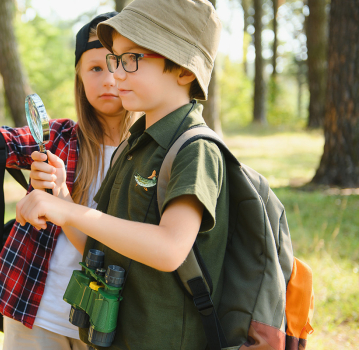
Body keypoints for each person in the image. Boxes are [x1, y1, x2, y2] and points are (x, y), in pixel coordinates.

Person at [17, 0, 227, 349]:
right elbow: (98, 246)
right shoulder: (136, 145)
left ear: (184, 71)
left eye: (131, 60)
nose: (115, 75)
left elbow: (170, 248)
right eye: (116, 60)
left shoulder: (195, 148)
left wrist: (71, 211)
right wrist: (62, 197)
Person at [0, 12, 137, 350]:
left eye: (117, 64)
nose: (108, 80)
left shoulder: (148, 155)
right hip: (36, 310)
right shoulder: (59, 136)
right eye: (95, 68)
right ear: (79, 77)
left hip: (108, 323)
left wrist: (61, 195)